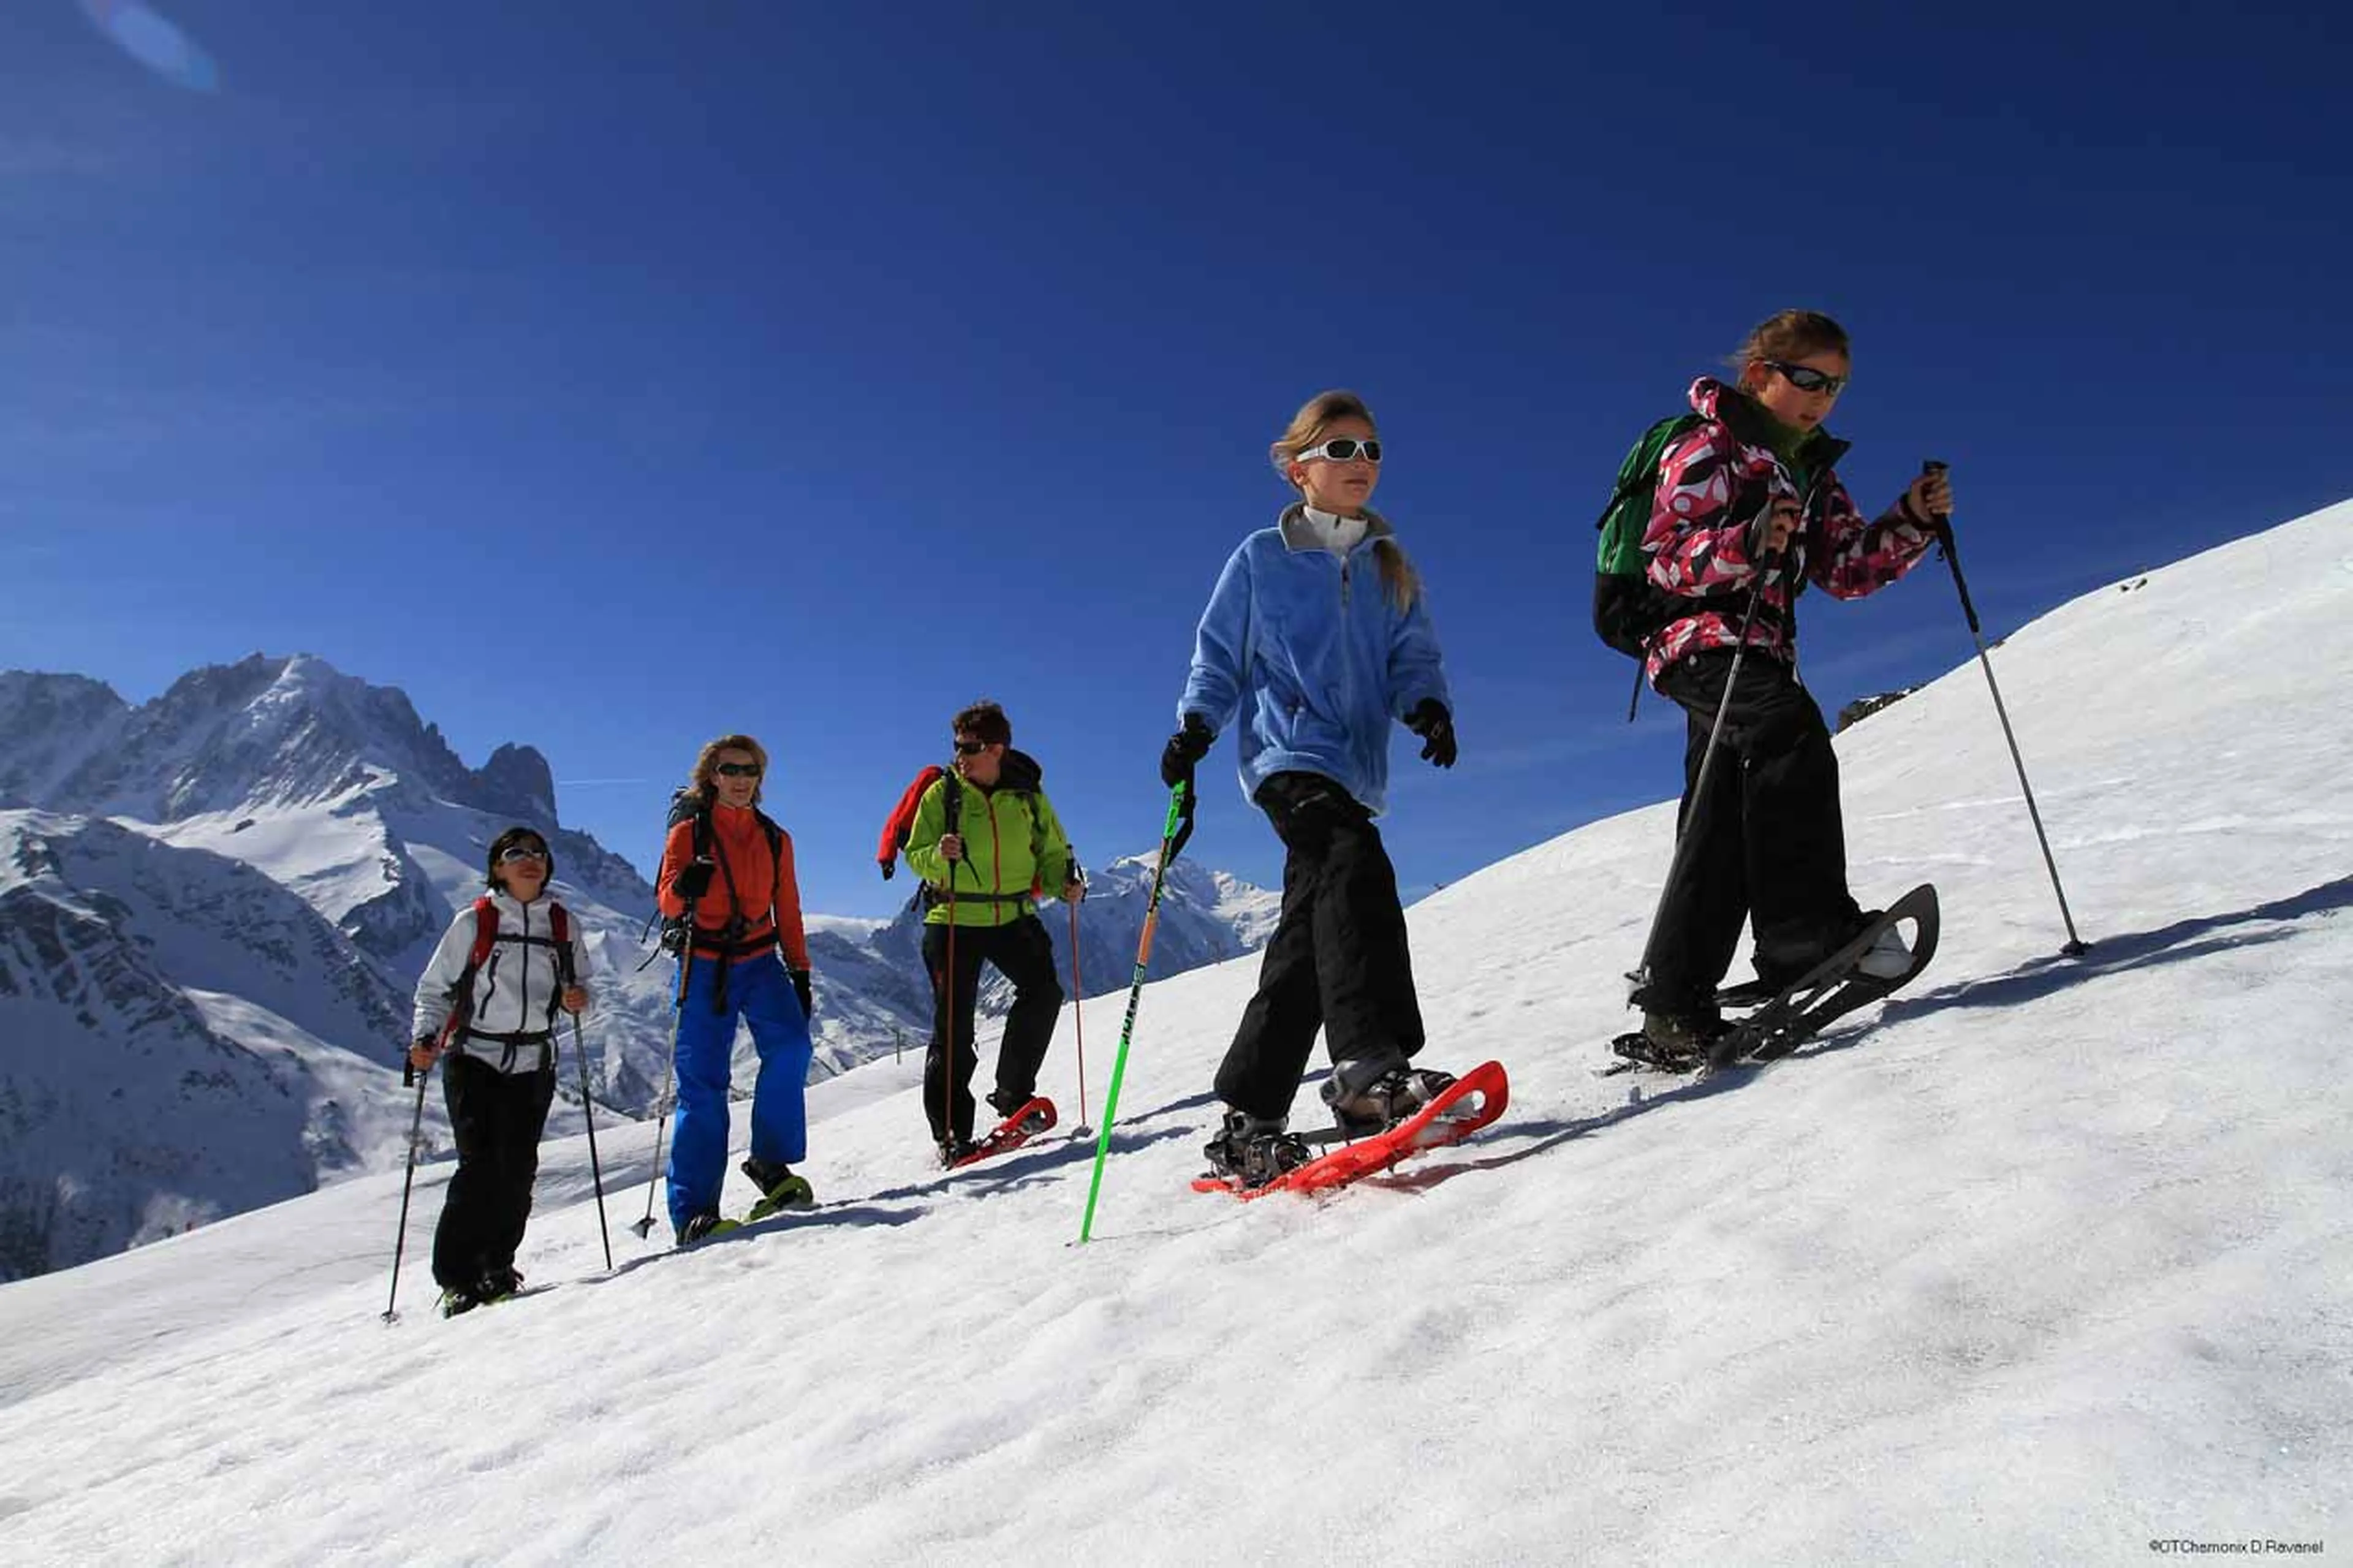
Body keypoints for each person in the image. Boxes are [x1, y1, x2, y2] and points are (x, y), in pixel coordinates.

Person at [1631, 308, 1952, 1056]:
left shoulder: (1810, 469)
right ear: (1759, 377)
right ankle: (1803, 937)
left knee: (1718, 818)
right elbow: (1666, 557)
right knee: (1788, 732)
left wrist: (1909, 518)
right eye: (1807, 379)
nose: (1821, 398)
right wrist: (1744, 543)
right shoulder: (1707, 445)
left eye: (1836, 387)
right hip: (1699, 639)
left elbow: (1844, 571)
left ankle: (1675, 1003)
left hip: (1761, 648)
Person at [1160, 389, 1460, 1189]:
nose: (1362, 463)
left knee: (1304, 938)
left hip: (1354, 769)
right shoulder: (1262, 555)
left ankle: (1249, 1121)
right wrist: (1197, 723)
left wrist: (1426, 705)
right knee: (1355, 864)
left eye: (1371, 450)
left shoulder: (1389, 561)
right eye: (1342, 450)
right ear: (1299, 469)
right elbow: (1220, 652)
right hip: (1287, 757)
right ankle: (1369, 1069)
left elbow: (1411, 655)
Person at [409, 825, 590, 1316]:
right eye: (516, 854)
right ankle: (457, 1276)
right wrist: (425, 1038)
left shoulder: (561, 925)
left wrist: (579, 1000)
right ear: (498, 867)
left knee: (518, 1167)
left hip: (534, 1059)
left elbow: (582, 988)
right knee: (481, 1166)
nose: (529, 860)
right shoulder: (475, 922)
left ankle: (497, 1265)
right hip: (475, 1057)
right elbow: (435, 988)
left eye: (538, 853)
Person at [900, 701, 1082, 1167]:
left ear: (997, 748)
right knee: (954, 1026)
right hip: (953, 918)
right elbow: (916, 853)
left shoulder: (1027, 795)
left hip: (1011, 914)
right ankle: (952, 1135)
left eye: (970, 747)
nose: (960, 755)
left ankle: (1014, 1095)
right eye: (957, 746)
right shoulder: (944, 794)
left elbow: (1051, 850)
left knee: (1043, 991)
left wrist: (1065, 883)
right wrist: (940, 855)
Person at [653, 734, 816, 1241]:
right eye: (731, 770)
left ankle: (769, 1163)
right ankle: (694, 1212)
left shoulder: (775, 838)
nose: (742, 779)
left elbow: (786, 907)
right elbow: (667, 902)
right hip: (703, 964)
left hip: (760, 959)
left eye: (750, 771)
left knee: (792, 1046)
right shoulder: (688, 833)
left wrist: (801, 970)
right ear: (713, 776)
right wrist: (685, 889)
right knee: (703, 1084)